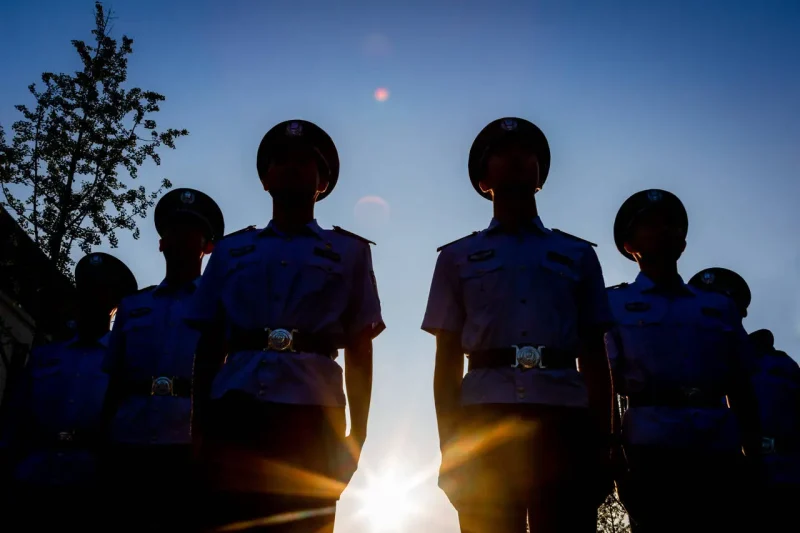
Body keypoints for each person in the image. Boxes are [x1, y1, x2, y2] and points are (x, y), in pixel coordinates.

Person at [187, 119, 385, 532]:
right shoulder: (230, 251)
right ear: (266, 178)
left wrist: (358, 435)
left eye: (304, 162)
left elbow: (360, 349)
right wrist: (199, 426)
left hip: (312, 416)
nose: (293, 168)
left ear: (322, 182)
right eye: (282, 161)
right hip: (236, 411)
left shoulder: (350, 252)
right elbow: (207, 346)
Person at [422, 117, 614, 533]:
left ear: (540, 174)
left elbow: (596, 358)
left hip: (563, 419)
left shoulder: (578, 255)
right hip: (483, 419)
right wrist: (449, 448)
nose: (515, 160)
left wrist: (604, 445)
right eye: (501, 154)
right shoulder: (456, 257)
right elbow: (446, 362)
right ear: (483, 178)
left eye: (526, 153)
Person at [606, 190, 762, 533]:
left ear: (684, 242)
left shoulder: (717, 307)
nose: (664, 229)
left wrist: (755, 453)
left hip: (717, 446)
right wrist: (612, 449)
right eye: (650, 224)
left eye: (671, 223)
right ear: (630, 245)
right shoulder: (613, 305)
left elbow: (741, 386)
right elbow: (607, 384)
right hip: (651, 448)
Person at [101, 188, 224, 532]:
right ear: (161, 243)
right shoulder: (132, 307)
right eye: (173, 231)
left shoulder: (221, 306)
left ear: (207, 246)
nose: (180, 238)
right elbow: (113, 383)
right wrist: (103, 442)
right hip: (128, 444)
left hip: (187, 447)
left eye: (191, 231)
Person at [0, 252, 137, 531]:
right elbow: (16, 417)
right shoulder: (46, 356)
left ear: (115, 305)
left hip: (88, 484)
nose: (90, 300)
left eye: (100, 293)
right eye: (86, 290)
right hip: (31, 476)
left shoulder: (126, 361)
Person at [689, 267, 800, 532]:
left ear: (740, 313)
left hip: (783, 484)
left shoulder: (775, 363)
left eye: (724, 306)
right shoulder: (680, 365)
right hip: (711, 493)